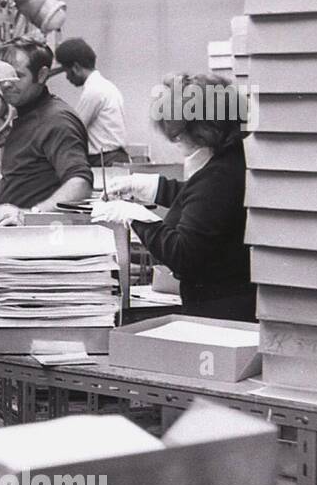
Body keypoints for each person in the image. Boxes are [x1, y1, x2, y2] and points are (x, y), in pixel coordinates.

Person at [96, 72, 254, 321]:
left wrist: (138, 219)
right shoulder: (233, 161)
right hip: (231, 303)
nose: (176, 141)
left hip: (219, 313)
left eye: (179, 135)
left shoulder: (218, 177)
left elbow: (182, 254)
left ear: (203, 129)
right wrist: (153, 187)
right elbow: (204, 206)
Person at [0, 37, 93, 226]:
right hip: (15, 237)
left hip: (39, 242)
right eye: (2, 76)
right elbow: (34, 175)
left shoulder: (57, 120)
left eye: (17, 75)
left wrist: (29, 214)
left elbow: (80, 184)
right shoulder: (27, 115)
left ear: (42, 75)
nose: (5, 84)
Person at [54, 37, 130, 167]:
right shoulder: (105, 85)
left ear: (76, 67)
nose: (67, 77)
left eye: (66, 71)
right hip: (113, 157)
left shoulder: (94, 90)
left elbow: (74, 128)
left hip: (105, 160)